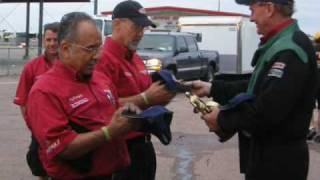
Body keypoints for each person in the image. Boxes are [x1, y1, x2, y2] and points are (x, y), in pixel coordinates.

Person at [189, 0, 318, 179]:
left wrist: (222, 119)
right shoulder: (280, 43)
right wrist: (212, 88)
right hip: (267, 155)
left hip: (279, 162)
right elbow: (257, 86)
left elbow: (268, 110)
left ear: (270, 8)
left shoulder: (290, 49)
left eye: (252, 10)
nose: (251, 18)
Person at [26, 12, 141, 179]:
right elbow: (63, 148)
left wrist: (127, 116)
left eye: (99, 47)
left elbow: (113, 115)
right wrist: (109, 132)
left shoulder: (101, 80)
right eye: (91, 48)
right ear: (65, 49)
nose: (98, 55)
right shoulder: (44, 90)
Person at [95, 1, 175, 179]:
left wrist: (163, 95)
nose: (140, 33)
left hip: (144, 147)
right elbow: (103, 106)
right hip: (120, 149)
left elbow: (148, 97)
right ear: (117, 24)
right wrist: (146, 98)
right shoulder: (103, 59)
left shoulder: (135, 57)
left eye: (143, 28)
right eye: (136, 26)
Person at [13, 22, 60, 179]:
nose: (52, 43)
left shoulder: (72, 65)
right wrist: (32, 125)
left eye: (56, 39)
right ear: (43, 41)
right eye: (48, 40)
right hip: (40, 132)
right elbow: (23, 100)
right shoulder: (31, 68)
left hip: (66, 129)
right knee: (40, 167)